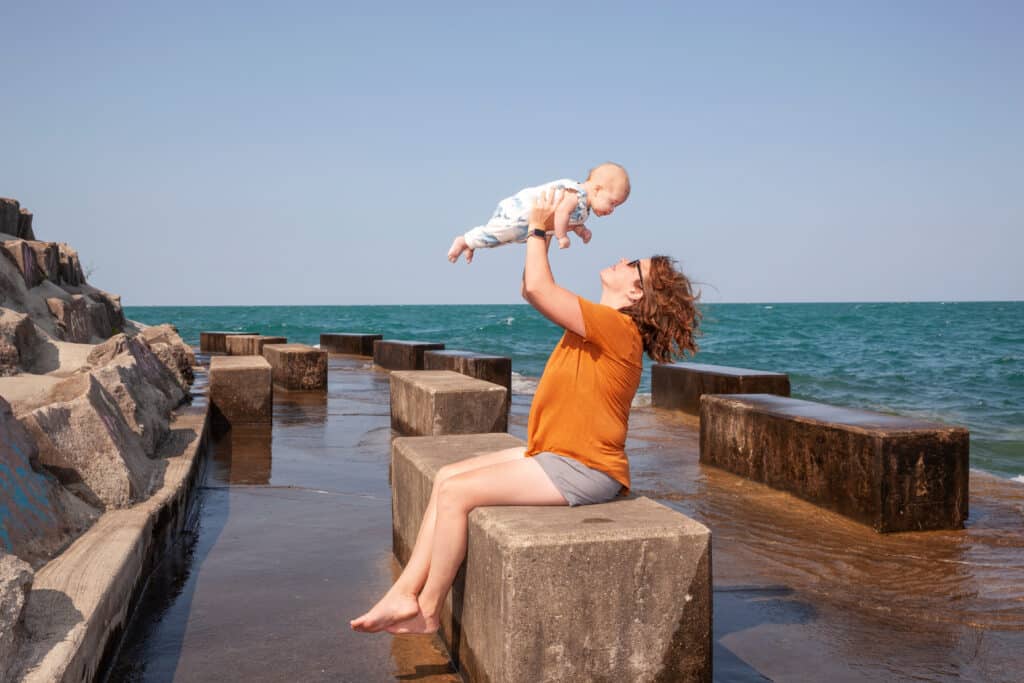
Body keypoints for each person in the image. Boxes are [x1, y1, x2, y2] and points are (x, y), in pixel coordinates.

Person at [352, 189, 700, 635]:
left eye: (633, 266)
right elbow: (532, 288)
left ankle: (428, 609)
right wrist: (541, 233)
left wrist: (538, 227)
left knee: (459, 496)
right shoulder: (601, 322)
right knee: (446, 478)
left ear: (636, 291)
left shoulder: (618, 327)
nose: (622, 259)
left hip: (582, 467)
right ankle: (404, 593)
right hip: (555, 453)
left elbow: (536, 287)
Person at [446, 162, 630, 263]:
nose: (611, 210)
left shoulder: (584, 208)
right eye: (612, 203)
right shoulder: (576, 194)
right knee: (500, 233)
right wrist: (562, 237)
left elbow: (572, 221)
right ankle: (463, 240)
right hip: (521, 213)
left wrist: (582, 231)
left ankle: (472, 243)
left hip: (528, 225)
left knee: (499, 239)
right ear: (597, 189)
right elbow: (562, 214)